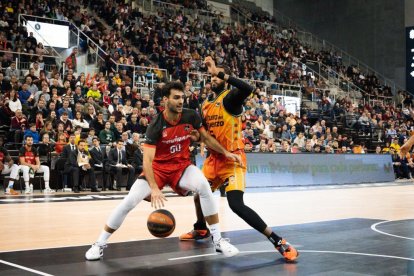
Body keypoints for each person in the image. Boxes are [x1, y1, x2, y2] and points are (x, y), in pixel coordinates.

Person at [85, 81, 241, 261]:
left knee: (203, 186)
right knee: (129, 200)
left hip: (181, 167)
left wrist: (226, 152)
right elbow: (147, 161)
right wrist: (154, 188)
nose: (181, 101)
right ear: (165, 100)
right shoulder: (156, 125)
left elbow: (205, 138)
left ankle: (218, 240)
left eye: (182, 97)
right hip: (157, 169)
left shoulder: (191, 116)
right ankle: (99, 243)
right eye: (176, 98)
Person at [180, 57, 299, 262]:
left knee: (236, 205)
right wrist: (197, 140)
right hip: (213, 158)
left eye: (217, 76)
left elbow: (248, 88)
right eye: (211, 76)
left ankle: (278, 240)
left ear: (225, 79)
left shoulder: (231, 98)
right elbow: (206, 132)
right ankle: (200, 228)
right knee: (198, 195)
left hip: (233, 158)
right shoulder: (206, 104)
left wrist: (221, 72)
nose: (213, 78)